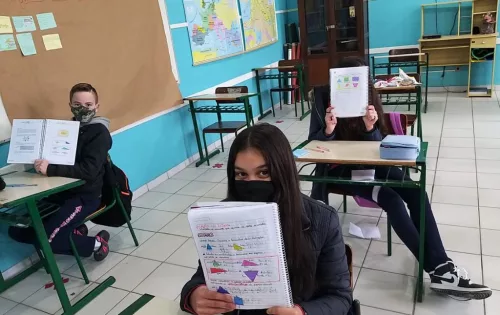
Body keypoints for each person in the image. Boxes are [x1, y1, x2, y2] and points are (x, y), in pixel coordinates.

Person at [309, 56, 491, 300]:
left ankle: (441, 267)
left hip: (369, 163)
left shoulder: (369, 97)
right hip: (338, 168)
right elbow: (314, 144)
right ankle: (439, 271)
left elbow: (378, 146)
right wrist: (328, 131)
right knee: (393, 200)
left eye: (359, 81)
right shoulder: (322, 98)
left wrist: (370, 127)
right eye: (345, 81)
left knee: (416, 191)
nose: (353, 86)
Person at [180, 123, 353, 315]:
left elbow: (340, 298)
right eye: (241, 174)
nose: (251, 183)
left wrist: (302, 313)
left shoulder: (323, 220)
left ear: (283, 172)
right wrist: (193, 295)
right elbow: (204, 275)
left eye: (264, 173)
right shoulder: (222, 217)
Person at [9, 83, 112, 262]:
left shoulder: (99, 133)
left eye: (88, 105)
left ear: (97, 106)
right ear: (70, 105)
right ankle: (72, 234)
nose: (83, 109)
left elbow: (89, 170)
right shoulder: (65, 130)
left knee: (49, 241)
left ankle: (96, 243)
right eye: (77, 104)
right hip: (59, 192)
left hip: (83, 196)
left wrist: (50, 169)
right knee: (17, 229)